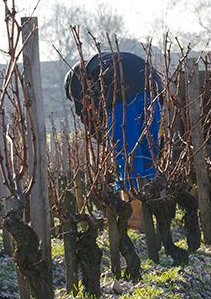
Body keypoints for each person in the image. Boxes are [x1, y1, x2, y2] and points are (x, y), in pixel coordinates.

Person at [65, 51, 162, 228]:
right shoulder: (103, 61)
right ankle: (149, 216)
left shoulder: (78, 76)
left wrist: (105, 139)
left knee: (127, 157)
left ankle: (135, 219)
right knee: (148, 155)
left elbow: (85, 112)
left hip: (124, 95)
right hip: (153, 91)